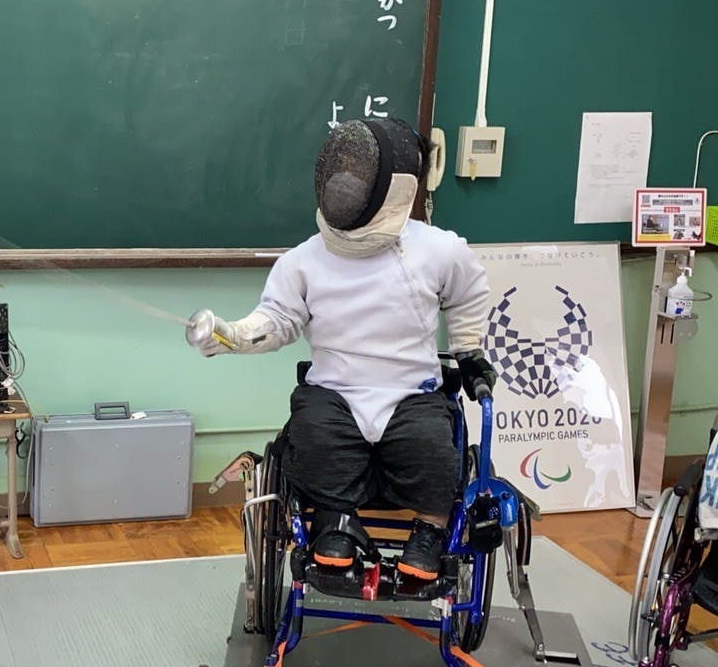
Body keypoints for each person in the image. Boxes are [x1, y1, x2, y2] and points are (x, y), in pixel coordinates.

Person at [186, 118, 494, 591]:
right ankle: (335, 523)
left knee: (433, 449)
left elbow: (469, 293)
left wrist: (467, 348)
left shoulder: (438, 251)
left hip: (411, 391)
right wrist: (234, 336)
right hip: (334, 391)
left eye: (359, 170)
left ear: (395, 185)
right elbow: (277, 318)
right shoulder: (304, 260)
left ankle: (430, 532)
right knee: (313, 436)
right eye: (341, 167)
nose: (345, 181)